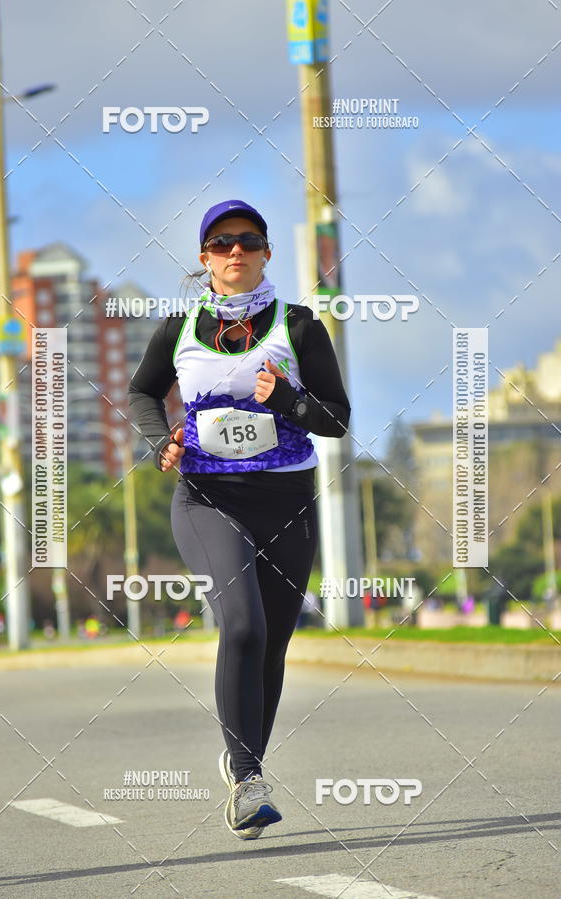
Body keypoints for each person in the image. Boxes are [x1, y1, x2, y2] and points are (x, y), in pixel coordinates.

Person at [128, 199, 351, 840]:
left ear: (266, 253)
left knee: (273, 644)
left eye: (248, 241)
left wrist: (286, 398)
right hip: (208, 499)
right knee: (244, 626)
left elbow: (335, 420)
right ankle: (249, 782)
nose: (235, 252)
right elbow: (144, 392)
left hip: (287, 499)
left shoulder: (301, 327)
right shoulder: (179, 325)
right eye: (222, 243)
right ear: (205, 259)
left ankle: (242, 759)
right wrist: (157, 440)